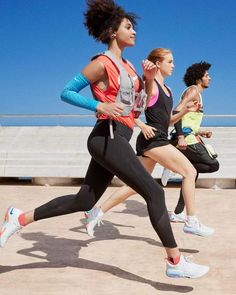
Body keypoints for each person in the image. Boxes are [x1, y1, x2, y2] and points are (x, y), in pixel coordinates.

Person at [0, 0, 209, 279]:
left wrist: (147, 79)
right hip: (105, 136)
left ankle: (19, 217)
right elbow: (67, 92)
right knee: (155, 192)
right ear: (113, 31)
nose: (134, 31)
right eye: (128, 26)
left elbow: (138, 108)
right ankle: (174, 260)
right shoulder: (102, 63)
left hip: (119, 136)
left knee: (84, 200)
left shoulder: (131, 68)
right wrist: (98, 106)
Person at [85, 48, 214, 240]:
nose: (173, 65)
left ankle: (96, 212)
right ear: (158, 64)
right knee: (190, 172)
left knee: (134, 185)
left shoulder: (168, 91)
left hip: (158, 137)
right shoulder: (150, 86)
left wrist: (185, 111)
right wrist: (142, 125)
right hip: (152, 140)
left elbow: (168, 121)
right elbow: (130, 111)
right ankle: (190, 221)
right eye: (169, 62)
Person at [161, 62, 219, 222]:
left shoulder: (197, 94)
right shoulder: (193, 91)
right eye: (207, 75)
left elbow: (188, 121)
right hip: (186, 140)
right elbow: (177, 111)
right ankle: (173, 167)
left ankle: (178, 213)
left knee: (191, 175)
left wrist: (202, 131)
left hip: (190, 136)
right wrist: (180, 137)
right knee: (213, 165)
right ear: (199, 78)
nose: (209, 78)